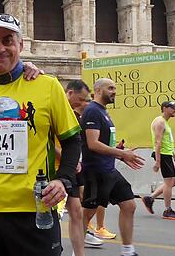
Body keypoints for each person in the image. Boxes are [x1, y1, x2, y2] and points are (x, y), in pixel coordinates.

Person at [0, 13, 81, 256]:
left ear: (20, 45)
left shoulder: (47, 86)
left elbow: (72, 140)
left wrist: (63, 180)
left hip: (36, 210)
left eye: (7, 41)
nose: (0, 49)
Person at [81, 78, 144, 256]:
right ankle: (77, 252)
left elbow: (103, 142)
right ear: (98, 90)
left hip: (109, 169)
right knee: (87, 215)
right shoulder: (92, 111)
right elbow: (92, 144)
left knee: (129, 205)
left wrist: (120, 153)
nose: (114, 91)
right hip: (96, 171)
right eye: (110, 88)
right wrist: (122, 154)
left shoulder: (103, 112)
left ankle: (127, 251)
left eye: (115, 88)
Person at [60, 80, 103, 255]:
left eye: (87, 100)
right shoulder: (57, 110)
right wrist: (70, 160)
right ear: (69, 93)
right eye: (82, 99)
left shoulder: (76, 116)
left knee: (76, 212)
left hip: (71, 169)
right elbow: (49, 144)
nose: (85, 104)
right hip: (55, 171)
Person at [141, 100, 175, 220]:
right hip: (163, 155)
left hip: (167, 154)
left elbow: (166, 142)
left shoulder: (164, 122)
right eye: (172, 108)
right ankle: (167, 210)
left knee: (173, 182)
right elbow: (158, 142)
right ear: (165, 108)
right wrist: (158, 161)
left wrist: (174, 157)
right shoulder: (160, 122)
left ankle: (150, 198)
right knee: (169, 183)